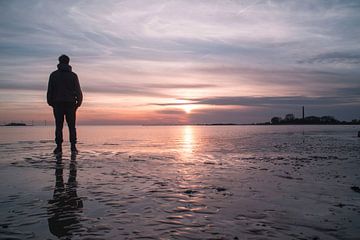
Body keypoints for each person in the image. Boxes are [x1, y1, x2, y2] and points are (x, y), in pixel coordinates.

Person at [47, 55, 83, 154]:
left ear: (59, 62)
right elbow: (78, 91)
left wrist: (50, 102)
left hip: (58, 104)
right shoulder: (73, 75)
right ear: (68, 62)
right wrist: (78, 103)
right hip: (70, 104)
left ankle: (59, 147)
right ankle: (73, 147)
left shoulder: (54, 75)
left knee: (59, 126)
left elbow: (50, 90)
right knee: (72, 126)